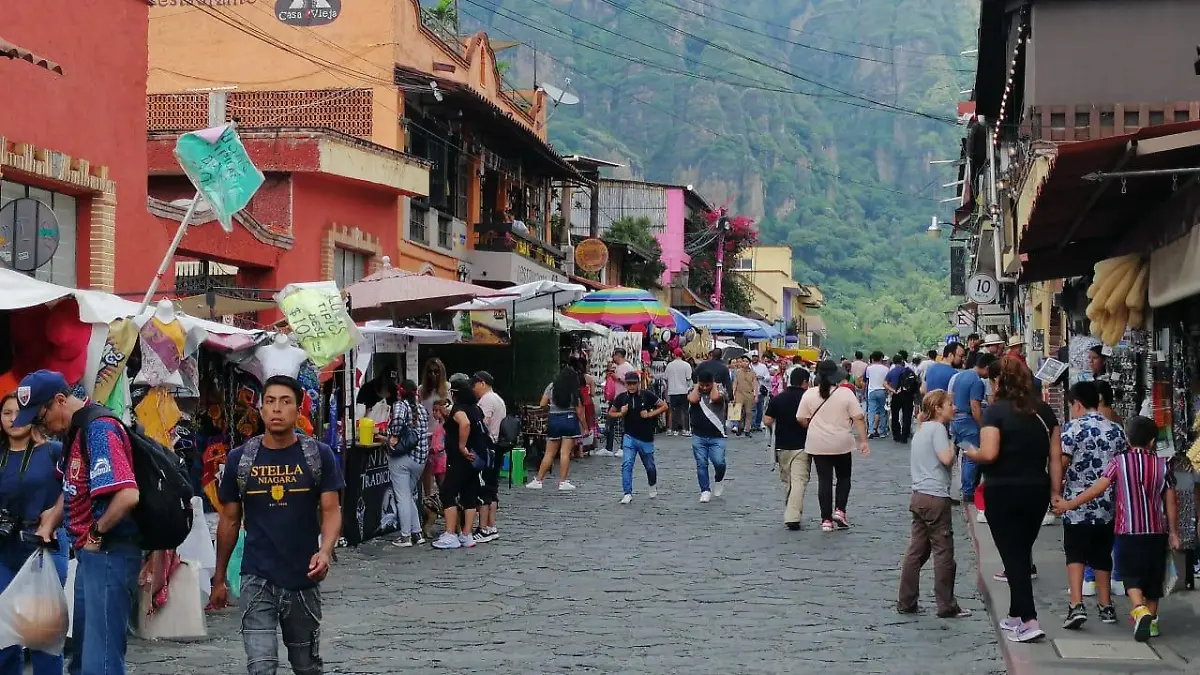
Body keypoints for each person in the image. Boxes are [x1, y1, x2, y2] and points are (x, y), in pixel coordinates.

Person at [212, 375, 344, 674]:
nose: (276, 409)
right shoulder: (240, 459)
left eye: (285, 402)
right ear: (260, 409)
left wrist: (325, 551)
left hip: (302, 579)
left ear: (298, 410)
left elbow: (332, 510)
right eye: (270, 401)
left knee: (306, 665)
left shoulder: (318, 455)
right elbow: (230, 520)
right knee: (262, 666)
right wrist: (219, 578)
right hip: (256, 578)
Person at [13, 370, 141, 675]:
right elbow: (72, 485)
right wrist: (50, 522)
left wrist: (97, 534)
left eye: (40, 415)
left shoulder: (99, 429)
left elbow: (127, 495)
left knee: (102, 659)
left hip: (109, 553)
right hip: (90, 556)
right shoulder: (75, 431)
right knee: (84, 656)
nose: (39, 424)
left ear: (59, 401)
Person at [1053, 416, 1180, 642]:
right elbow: (1170, 499)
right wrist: (1173, 532)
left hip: (1128, 531)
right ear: (1152, 442)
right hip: (1157, 532)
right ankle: (1152, 622)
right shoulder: (1163, 465)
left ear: (1127, 440)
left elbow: (1097, 489)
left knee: (1130, 576)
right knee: (1153, 580)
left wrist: (1069, 504)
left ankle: (1139, 608)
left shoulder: (1119, 462)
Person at [964, 357, 1063, 643]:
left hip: (1002, 489)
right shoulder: (1045, 413)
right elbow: (1055, 458)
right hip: (1037, 490)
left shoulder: (995, 413)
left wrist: (970, 452)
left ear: (998, 381)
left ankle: (1030, 620)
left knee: (1013, 554)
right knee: (1020, 550)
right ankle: (1015, 614)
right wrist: (1056, 493)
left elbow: (990, 453)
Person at [0, 392, 68, 675]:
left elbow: (75, 487)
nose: (13, 418)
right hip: (4, 550)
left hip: (43, 548)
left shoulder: (53, 451)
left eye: (19, 411)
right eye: (6, 412)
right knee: (4, 637)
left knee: (42, 637)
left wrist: (54, 515)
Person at [1056, 381, 1126, 629]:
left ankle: (1077, 605)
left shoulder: (1073, 429)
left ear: (1077, 404)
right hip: (1106, 506)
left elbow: (1062, 462)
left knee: (1075, 553)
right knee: (1102, 555)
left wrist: (1055, 492)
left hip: (1075, 504)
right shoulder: (1116, 430)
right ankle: (1106, 606)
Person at [897, 390, 970, 619]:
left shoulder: (921, 428)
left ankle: (906, 600)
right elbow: (946, 459)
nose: (954, 407)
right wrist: (956, 445)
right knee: (943, 553)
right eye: (950, 404)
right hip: (935, 497)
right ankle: (946, 605)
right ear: (938, 408)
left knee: (916, 551)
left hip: (919, 495)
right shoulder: (938, 429)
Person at [797, 360, 869, 532]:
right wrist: (864, 440)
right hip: (841, 442)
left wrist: (811, 426)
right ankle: (840, 510)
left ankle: (826, 520)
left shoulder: (809, 394)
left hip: (817, 443)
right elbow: (858, 417)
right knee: (844, 477)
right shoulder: (845, 393)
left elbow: (800, 418)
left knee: (824, 480)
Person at [432, 375, 488, 548]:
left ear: (454, 393)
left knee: (448, 493)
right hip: (475, 459)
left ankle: (450, 533)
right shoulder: (476, 409)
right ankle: (467, 534)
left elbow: (464, 424)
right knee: (469, 495)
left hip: (460, 459)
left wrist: (462, 446)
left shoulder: (459, 410)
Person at [764, 367, 810, 530]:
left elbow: (767, 420)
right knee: (799, 481)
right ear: (805, 382)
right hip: (802, 445)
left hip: (782, 446)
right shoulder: (807, 398)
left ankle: (792, 511)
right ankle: (793, 516)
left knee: (787, 481)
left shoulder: (779, 398)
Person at [611, 371, 667, 504]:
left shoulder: (647, 395)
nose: (631, 386)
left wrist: (650, 414)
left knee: (650, 467)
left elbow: (664, 406)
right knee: (627, 464)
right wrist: (620, 413)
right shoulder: (621, 398)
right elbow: (611, 413)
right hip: (629, 436)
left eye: (634, 383)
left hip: (645, 437)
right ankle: (627, 493)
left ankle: (652, 484)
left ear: (638, 383)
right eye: (628, 384)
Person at [388, 379, 430, 548]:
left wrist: (394, 435)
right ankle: (417, 532)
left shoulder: (400, 405)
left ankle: (405, 536)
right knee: (409, 494)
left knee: (403, 496)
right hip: (420, 459)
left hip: (403, 458)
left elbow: (397, 419)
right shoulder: (421, 408)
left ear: (400, 392)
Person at [528, 367, 585, 491]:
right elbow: (579, 410)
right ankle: (563, 482)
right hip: (569, 420)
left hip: (554, 420)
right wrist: (585, 427)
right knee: (565, 454)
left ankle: (538, 480)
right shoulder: (573, 389)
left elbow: (542, 404)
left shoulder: (552, 386)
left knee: (549, 454)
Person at [951, 353, 996, 504]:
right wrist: (983, 425)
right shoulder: (977, 381)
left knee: (965, 455)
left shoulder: (961, 376)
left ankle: (966, 488)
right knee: (972, 457)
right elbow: (975, 407)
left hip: (957, 419)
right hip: (968, 421)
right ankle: (968, 491)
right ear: (987, 367)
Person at [472, 371, 506, 543]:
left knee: (484, 489)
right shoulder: (499, 399)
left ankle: (483, 528)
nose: (474, 389)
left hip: (488, 447)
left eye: (475, 384)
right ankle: (492, 526)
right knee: (493, 489)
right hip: (498, 447)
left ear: (482, 383)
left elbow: (483, 423)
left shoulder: (486, 400)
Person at [688, 370, 728, 503]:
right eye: (702, 385)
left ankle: (719, 479)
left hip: (717, 435)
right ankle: (705, 490)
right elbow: (692, 399)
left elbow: (716, 398)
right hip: (699, 435)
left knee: (719, 462)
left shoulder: (720, 390)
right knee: (701, 464)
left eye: (707, 385)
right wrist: (696, 387)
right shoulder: (694, 390)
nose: (704, 388)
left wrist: (715, 386)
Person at [885, 355, 918, 443]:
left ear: (894, 362)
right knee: (907, 416)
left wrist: (893, 390)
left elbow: (885, 383)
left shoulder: (891, 372)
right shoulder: (908, 371)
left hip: (896, 395)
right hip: (908, 395)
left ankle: (896, 435)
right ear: (902, 361)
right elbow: (916, 382)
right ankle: (904, 436)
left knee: (895, 415)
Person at [665, 348, 693, 437]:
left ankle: (674, 430)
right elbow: (689, 378)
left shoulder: (669, 365)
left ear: (674, 355)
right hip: (684, 390)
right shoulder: (686, 365)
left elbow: (666, 377)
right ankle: (686, 430)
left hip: (673, 391)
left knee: (674, 411)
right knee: (685, 410)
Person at [864, 352, 890, 439]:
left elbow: (866, 380)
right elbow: (887, 381)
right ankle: (882, 431)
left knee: (871, 412)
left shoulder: (869, 368)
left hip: (871, 391)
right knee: (882, 411)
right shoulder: (886, 369)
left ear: (872, 358)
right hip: (882, 391)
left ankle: (871, 431)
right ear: (881, 358)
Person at [732, 357, 758, 437]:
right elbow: (735, 384)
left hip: (749, 395)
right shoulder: (738, 372)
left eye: (746, 361)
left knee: (748, 413)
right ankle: (739, 428)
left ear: (749, 363)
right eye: (743, 361)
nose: (744, 363)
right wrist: (733, 395)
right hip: (739, 394)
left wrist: (755, 395)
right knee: (738, 412)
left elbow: (755, 385)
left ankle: (747, 429)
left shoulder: (752, 373)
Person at [750, 352, 771, 432]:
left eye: (756, 356)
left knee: (760, 409)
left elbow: (768, 377)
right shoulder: (749, 366)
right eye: (753, 357)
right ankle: (752, 424)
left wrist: (761, 377)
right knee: (753, 409)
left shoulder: (763, 367)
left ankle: (758, 424)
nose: (754, 358)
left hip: (761, 391)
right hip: (751, 391)